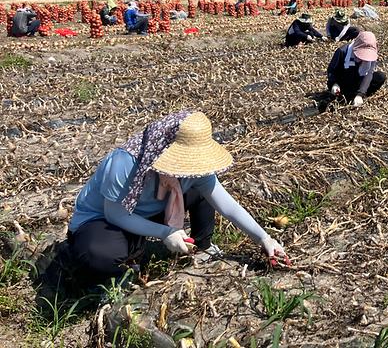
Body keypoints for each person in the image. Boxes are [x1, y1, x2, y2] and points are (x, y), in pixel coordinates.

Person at [59, 111, 287, 288]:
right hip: (103, 220)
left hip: (145, 213)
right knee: (98, 254)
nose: (189, 165)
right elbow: (115, 214)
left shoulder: (196, 168)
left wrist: (264, 239)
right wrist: (164, 232)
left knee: (200, 191)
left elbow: (226, 204)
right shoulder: (125, 163)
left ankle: (202, 247)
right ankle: (112, 272)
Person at [326, 31, 386, 107]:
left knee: (380, 77)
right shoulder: (342, 51)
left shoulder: (372, 55)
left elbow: (368, 74)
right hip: (343, 81)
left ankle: (356, 96)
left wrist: (360, 94)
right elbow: (331, 70)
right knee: (341, 88)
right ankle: (347, 95)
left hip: (359, 80)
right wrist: (334, 84)